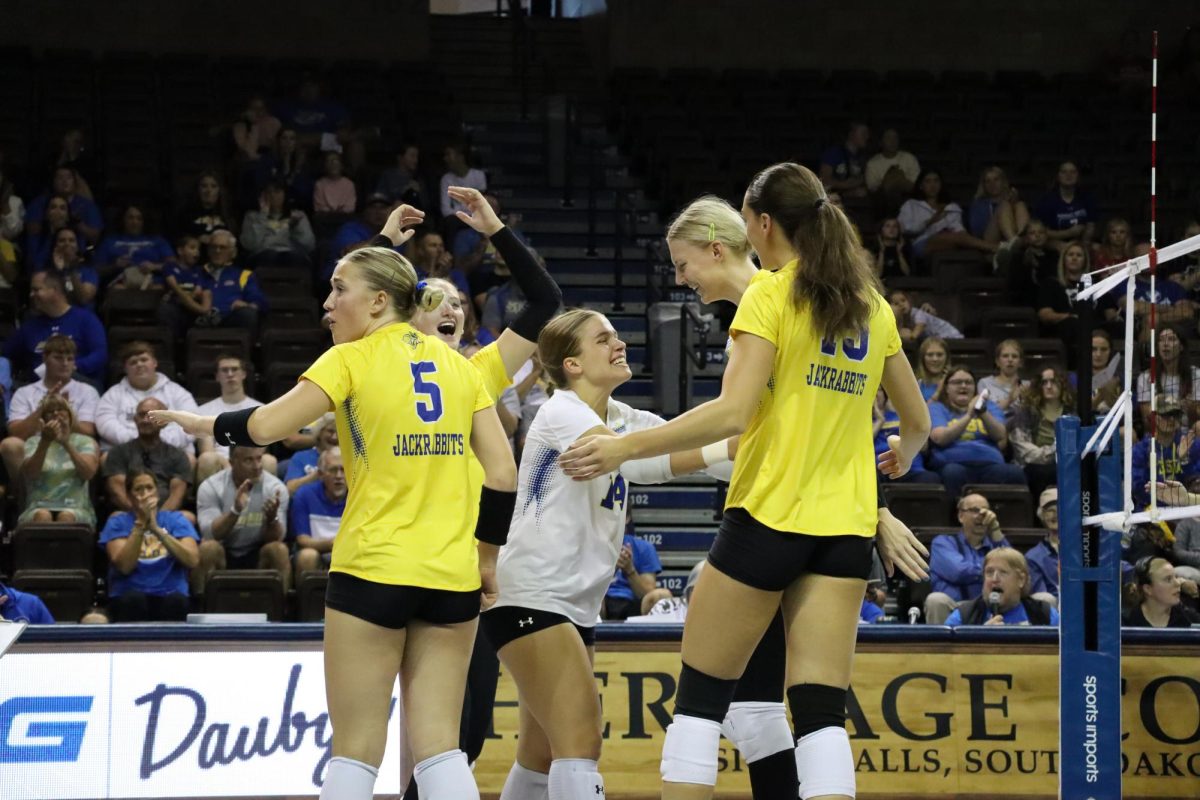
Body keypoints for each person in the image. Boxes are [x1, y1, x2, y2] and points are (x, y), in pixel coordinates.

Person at [558, 162, 932, 800]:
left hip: (770, 519)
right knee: (819, 716)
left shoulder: (771, 295)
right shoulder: (869, 304)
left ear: (760, 224)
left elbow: (733, 414)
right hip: (842, 533)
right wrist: (899, 454)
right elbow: (918, 422)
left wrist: (624, 447)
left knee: (701, 701)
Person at [149, 228, 519, 800]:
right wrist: (487, 558)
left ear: (377, 302)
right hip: (453, 577)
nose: (327, 303)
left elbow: (266, 427)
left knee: (356, 751)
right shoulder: (461, 368)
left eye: (338, 289)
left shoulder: (350, 358)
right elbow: (502, 475)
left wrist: (200, 423)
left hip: (373, 568)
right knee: (441, 749)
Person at [482, 308, 741, 800]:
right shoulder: (562, 412)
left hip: (569, 603)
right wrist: (729, 446)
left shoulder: (622, 418)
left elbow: (688, 442)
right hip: (534, 596)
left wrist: (761, 451)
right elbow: (647, 464)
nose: (619, 344)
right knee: (581, 742)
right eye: (604, 339)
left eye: (617, 336)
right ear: (572, 364)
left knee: (540, 753)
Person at [388, 186, 562, 799]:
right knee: (429, 738)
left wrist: (496, 229)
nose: (451, 309)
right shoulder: (375, 364)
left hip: (472, 567)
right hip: (400, 563)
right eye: (434, 300)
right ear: (404, 317)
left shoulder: (478, 369)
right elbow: (350, 304)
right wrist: (385, 246)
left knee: (469, 734)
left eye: (459, 301)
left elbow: (545, 300)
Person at [99, 470, 200, 622]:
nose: (145, 493)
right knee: (134, 600)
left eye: (149, 488)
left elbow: (192, 560)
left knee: (177, 602)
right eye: (138, 489)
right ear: (129, 497)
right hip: (129, 594)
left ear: (157, 493)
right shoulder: (117, 523)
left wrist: (157, 530)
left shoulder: (176, 520)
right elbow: (125, 566)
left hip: (170, 593)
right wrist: (140, 523)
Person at [1, 335, 100, 480]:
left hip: (71, 445)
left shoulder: (87, 391)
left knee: (91, 445)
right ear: (45, 359)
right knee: (10, 444)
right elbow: (16, 433)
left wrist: (67, 412)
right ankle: (22, 498)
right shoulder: (24, 392)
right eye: (58, 358)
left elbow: (88, 432)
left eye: (70, 359)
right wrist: (44, 406)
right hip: (35, 446)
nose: (65, 363)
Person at [196, 445, 291, 590]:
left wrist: (272, 520)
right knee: (208, 549)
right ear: (232, 462)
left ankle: (281, 610)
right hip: (224, 550)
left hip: (257, 551)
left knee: (279, 550)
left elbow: (277, 538)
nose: (257, 466)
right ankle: (201, 607)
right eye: (248, 460)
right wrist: (235, 511)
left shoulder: (275, 488)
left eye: (259, 459)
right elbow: (210, 534)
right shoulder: (211, 487)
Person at [927, 366, 1026, 499]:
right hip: (952, 464)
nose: (963, 386)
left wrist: (982, 412)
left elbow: (1000, 435)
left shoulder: (990, 407)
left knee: (1015, 474)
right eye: (957, 382)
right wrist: (969, 416)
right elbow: (939, 437)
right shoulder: (937, 408)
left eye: (968, 382)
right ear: (946, 388)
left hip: (990, 463)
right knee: (953, 473)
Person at [2, 270, 106, 384]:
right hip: (36, 392)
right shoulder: (30, 327)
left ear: (54, 290)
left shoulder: (86, 320)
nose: (31, 295)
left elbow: (99, 355)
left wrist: (71, 367)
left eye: (36, 289)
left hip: (77, 386)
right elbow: (5, 354)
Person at [925, 492, 1012, 624]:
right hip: (954, 607)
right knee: (936, 599)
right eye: (975, 510)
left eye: (986, 511)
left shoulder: (996, 545)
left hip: (990, 607)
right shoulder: (943, 543)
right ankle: (940, 644)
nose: (981, 516)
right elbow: (959, 572)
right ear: (961, 516)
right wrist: (993, 571)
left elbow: (1013, 569)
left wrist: (996, 531)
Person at [96, 341, 199, 452]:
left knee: (190, 459)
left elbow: (192, 422)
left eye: (144, 360)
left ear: (154, 363)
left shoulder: (177, 392)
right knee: (106, 458)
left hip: (171, 451)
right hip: (126, 452)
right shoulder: (112, 395)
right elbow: (105, 425)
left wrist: (158, 442)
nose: (139, 364)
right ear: (125, 368)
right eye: (133, 362)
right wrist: (140, 442)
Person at [104, 398, 194, 520]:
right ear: (135, 420)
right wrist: (141, 517)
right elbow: (117, 492)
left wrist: (156, 520)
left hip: (165, 516)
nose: (145, 420)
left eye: (152, 416)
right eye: (141, 415)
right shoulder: (118, 452)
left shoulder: (177, 455)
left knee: (188, 517)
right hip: (130, 515)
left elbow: (176, 496)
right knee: (115, 517)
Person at [18, 394, 98, 527]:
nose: (55, 413)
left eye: (60, 409)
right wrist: (44, 442)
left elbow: (88, 473)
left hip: (76, 507)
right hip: (38, 506)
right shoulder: (33, 442)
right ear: (43, 419)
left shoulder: (85, 441)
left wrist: (66, 443)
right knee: (42, 515)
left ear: (70, 415)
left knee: (66, 516)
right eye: (49, 412)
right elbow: (30, 474)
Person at [196, 354, 270, 485]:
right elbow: (207, 449)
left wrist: (242, 464)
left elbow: (260, 448)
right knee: (206, 458)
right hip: (218, 462)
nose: (230, 374)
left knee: (269, 461)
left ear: (243, 374)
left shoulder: (260, 409)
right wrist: (228, 465)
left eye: (234, 369)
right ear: (217, 376)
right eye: (224, 370)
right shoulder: (204, 411)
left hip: (251, 460)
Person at [944, 548, 1060, 626]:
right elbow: (945, 658)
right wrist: (978, 639)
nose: (994, 579)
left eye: (1003, 572)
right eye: (989, 572)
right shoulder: (963, 616)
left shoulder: (1045, 614)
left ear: (1021, 580)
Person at [898, 169, 996, 262]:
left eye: (936, 181)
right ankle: (995, 247)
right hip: (922, 243)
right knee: (957, 238)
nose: (933, 185)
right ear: (921, 185)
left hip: (951, 239)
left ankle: (988, 250)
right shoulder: (911, 204)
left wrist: (959, 233)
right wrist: (930, 221)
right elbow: (905, 228)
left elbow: (959, 229)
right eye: (928, 181)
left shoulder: (952, 207)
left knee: (958, 237)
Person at [1009, 366, 1072, 498]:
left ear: (1063, 384)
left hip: (1067, 462)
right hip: (1035, 465)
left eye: (1054, 381)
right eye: (1044, 382)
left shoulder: (1073, 411)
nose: (1049, 386)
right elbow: (1024, 451)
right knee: (1042, 472)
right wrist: (1054, 451)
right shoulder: (1026, 412)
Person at [1131, 395, 1200, 507]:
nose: (1172, 419)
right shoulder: (1141, 450)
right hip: (1152, 510)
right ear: (1154, 418)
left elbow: (1196, 485)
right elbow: (1138, 490)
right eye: (1166, 415)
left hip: (1185, 508)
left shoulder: (1192, 444)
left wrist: (1185, 462)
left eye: (1175, 415)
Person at [291, 447, 347, 576]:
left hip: (347, 553)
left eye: (343, 470)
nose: (339, 476)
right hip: (316, 551)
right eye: (333, 470)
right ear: (321, 474)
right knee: (307, 556)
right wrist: (330, 545)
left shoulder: (358, 496)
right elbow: (303, 540)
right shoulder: (305, 494)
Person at [93, 203, 175, 289]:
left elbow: (174, 265)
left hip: (152, 282)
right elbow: (96, 270)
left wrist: (154, 267)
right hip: (121, 283)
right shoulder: (109, 241)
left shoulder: (157, 241)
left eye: (139, 218)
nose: (134, 222)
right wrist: (114, 266)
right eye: (130, 218)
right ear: (123, 220)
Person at [200, 230, 269, 330]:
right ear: (208, 250)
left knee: (248, 314)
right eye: (213, 247)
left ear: (233, 253)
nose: (217, 251)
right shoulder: (197, 273)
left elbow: (259, 300)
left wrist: (248, 305)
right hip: (201, 317)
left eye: (222, 247)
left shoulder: (244, 275)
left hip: (231, 319)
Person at [240, 179, 316, 268]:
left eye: (277, 192)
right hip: (263, 255)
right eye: (268, 192)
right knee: (269, 257)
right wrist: (262, 216)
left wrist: (296, 228)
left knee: (295, 259)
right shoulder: (252, 217)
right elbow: (250, 245)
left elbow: (309, 245)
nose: (272, 196)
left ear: (285, 194)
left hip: (292, 255)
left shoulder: (298, 216)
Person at [605, 521, 673, 619]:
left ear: (627, 517)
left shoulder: (645, 548)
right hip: (601, 603)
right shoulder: (591, 547)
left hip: (634, 604)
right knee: (588, 597)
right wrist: (612, 570)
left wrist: (630, 570)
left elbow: (647, 593)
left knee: (662, 596)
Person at [1136, 324, 1200, 426]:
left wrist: (1191, 409)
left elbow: (1196, 418)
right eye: (1161, 340)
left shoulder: (1196, 375)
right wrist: (1176, 405)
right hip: (1158, 432)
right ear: (1157, 346)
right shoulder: (1146, 377)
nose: (1165, 343)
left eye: (1171, 339)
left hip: (1187, 432)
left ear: (1181, 347)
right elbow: (1147, 421)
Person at [873, 389, 940, 484]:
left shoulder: (903, 417)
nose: (875, 394)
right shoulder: (863, 421)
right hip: (879, 468)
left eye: (879, 390)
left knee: (931, 478)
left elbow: (924, 447)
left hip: (912, 469)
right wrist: (879, 421)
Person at [158, 234, 213, 338]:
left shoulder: (200, 271)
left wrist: (203, 309)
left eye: (198, 249)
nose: (196, 252)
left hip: (192, 310)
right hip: (174, 308)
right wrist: (202, 309)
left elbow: (199, 291)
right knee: (166, 309)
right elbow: (176, 289)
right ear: (180, 251)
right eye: (192, 248)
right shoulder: (169, 267)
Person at [1033, 161, 1097, 251]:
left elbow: (1091, 225)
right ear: (1058, 176)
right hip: (1053, 243)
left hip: (1081, 242)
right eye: (1064, 172)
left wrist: (1084, 244)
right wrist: (1068, 233)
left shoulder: (1086, 198)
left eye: (1073, 172)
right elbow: (1041, 232)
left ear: (1078, 176)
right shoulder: (1047, 200)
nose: (1068, 175)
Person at [1123, 557, 1200, 627]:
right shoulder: (1126, 622)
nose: (1177, 583)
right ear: (1147, 589)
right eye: (1168, 579)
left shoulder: (1188, 618)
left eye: (1175, 577)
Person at [967, 166, 1031, 245]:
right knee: (1004, 205)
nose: (992, 184)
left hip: (1013, 232)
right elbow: (977, 231)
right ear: (984, 185)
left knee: (1020, 204)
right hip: (990, 237)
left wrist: (1013, 202)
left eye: (996, 179)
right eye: (988, 181)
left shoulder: (1012, 198)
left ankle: (1021, 240)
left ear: (1003, 181)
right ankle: (1015, 242)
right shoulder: (979, 203)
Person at [284, 412, 339, 494]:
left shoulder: (349, 459)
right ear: (320, 432)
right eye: (330, 431)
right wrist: (318, 474)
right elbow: (289, 490)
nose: (334, 437)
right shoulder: (301, 457)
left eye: (339, 432)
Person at [863, 128, 919, 207]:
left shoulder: (909, 158)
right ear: (881, 142)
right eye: (888, 138)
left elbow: (915, 186)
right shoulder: (872, 163)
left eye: (895, 138)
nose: (892, 141)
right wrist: (890, 178)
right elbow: (874, 190)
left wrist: (898, 179)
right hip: (882, 205)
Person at [177, 171, 235, 245]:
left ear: (219, 190)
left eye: (213, 186)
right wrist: (198, 238)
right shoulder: (185, 214)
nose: (209, 190)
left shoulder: (228, 215)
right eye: (204, 186)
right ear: (197, 189)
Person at [1025, 487, 1061, 602]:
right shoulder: (1033, 557)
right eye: (1050, 510)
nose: (1055, 514)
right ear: (1042, 515)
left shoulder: (1085, 549)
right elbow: (1042, 601)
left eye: (1060, 508)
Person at [977, 339, 1026, 420]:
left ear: (1020, 362)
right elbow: (985, 413)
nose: (1010, 360)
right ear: (997, 361)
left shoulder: (1028, 386)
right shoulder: (984, 383)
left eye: (1014, 356)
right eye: (1005, 356)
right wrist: (1009, 400)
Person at [886, 289, 961, 342]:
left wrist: (909, 336)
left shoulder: (918, 314)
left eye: (903, 300)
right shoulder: (902, 319)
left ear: (909, 301)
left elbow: (915, 335)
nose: (901, 305)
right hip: (937, 339)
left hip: (952, 337)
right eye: (896, 303)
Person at [817, 122, 869, 199]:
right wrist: (846, 186)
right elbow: (824, 181)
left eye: (867, 133)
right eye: (863, 133)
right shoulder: (834, 153)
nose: (867, 137)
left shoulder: (864, 156)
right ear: (851, 134)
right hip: (834, 201)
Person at [439, 144, 488, 221]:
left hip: (477, 219)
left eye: (448, 154)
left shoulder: (478, 175)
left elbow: (482, 206)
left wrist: (459, 209)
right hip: (456, 220)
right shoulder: (446, 179)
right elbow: (445, 211)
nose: (445, 158)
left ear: (460, 157)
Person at [1089, 329, 1122, 415]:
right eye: (1093, 349)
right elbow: (1076, 414)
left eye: (1103, 349)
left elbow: (1124, 415)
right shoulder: (1075, 378)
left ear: (1110, 351)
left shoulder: (1121, 379)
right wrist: (1101, 393)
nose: (1098, 354)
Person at [914, 336, 949, 401]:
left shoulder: (955, 383)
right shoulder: (914, 383)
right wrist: (938, 392)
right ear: (922, 358)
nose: (935, 359)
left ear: (946, 358)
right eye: (930, 355)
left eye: (939, 355)